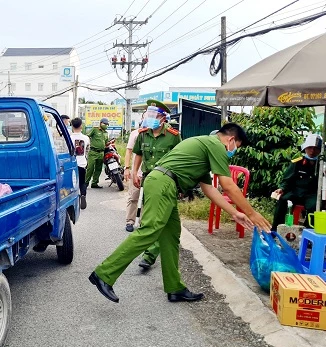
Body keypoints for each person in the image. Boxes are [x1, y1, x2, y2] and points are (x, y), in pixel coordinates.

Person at [89, 123, 271, 303]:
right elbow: (228, 185)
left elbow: (210, 190)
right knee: (149, 231)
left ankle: (174, 288)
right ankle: (104, 274)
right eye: (236, 147)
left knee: (170, 235)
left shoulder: (204, 147)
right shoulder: (216, 145)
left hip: (164, 184)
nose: (233, 151)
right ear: (231, 139)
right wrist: (252, 213)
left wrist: (234, 212)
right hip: (163, 183)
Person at [131, 101, 182, 270]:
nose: (150, 118)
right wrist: (134, 173)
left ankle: (150, 254)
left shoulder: (173, 135)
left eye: (154, 115)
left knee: (163, 217)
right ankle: (150, 251)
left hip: (167, 181)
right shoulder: (143, 134)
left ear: (163, 118)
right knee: (150, 217)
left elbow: (180, 158)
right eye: (148, 115)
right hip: (149, 180)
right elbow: (138, 154)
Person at [271, 134, 326, 231]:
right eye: (310, 148)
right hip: (295, 191)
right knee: (282, 200)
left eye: (315, 148)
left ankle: (309, 232)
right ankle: (276, 230)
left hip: (312, 194)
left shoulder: (324, 164)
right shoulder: (298, 162)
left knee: (315, 206)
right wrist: (282, 189)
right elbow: (287, 179)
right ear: (305, 148)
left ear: (320, 150)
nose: (312, 151)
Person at [124, 113, 147, 231]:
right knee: (133, 197)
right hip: (136, 172)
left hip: (151, 173)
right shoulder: (136, 134)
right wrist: (127, 168)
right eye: (146, 116)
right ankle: (130, 221)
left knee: (148, 200)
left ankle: (145, 223)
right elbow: (129, 151)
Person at [70, 117, 90, 209]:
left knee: (71, 182)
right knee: (82, 182)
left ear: (72, 126)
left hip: (71, 164)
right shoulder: (86, 138)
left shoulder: (68, 137)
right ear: (81, 126)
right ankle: (83, 195)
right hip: (82, 163)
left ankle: (72, 199)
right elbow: (87, 150)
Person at [85, 117, 110, 189]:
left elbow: (105, 143)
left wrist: (108, 143)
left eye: (107, 124)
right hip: (93, 152)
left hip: (101, 153)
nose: (106, 125)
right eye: (105, 124)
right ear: (101, 123)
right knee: (90, 168)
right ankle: (86, 183)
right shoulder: (95, 130)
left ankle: (94, 183)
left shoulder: (106, 133)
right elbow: (87, 136)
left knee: (98, 169)